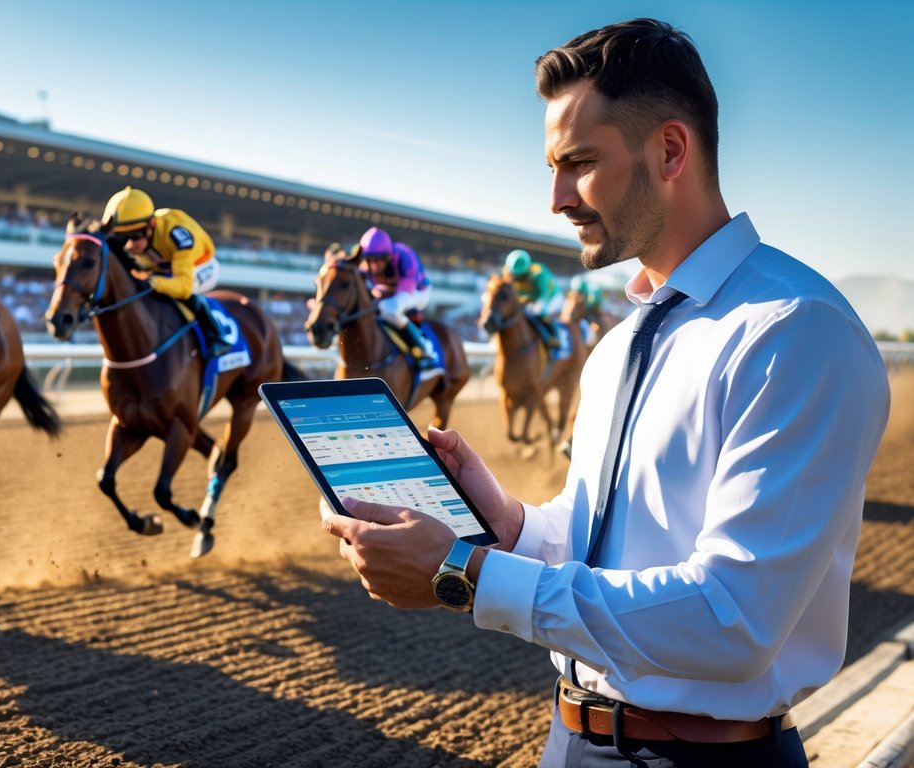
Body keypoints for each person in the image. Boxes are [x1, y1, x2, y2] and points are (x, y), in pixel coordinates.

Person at [322, 18, 889, 767]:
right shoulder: (619, 341)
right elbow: (615, 541)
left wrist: (465, 573)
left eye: (578, 164)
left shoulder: (795, 330)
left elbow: (731, 619)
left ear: (669, 151)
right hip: (568, 739)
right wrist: (510, 523)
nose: (555, 198)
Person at [101, 186, 231, 358]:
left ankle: (217, 336)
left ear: (151, 224)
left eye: (134, 236)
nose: (129, 245)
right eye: (122, 238)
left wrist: (154, 282)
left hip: (200, 265)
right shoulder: (140, 236)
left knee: (185, 293)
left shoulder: (177, 233)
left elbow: (183, 286)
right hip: (164, 267)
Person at [354, 226, 437, 370]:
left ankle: (424, 347)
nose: (374, 265)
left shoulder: (403, 254)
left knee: (390, 309)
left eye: (378, 260)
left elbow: (405, 289)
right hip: (392, 293)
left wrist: (380, 292)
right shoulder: (364, 267)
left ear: (388, 257)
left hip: (418, 291)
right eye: (370, 260)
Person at [503, 248, 563, 350]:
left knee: (539, 311)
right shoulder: (507, 272)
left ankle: (554, 338)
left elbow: (543, 296)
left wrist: (526, 299)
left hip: (552, 297)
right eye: (516, 276)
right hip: (530, 299)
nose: (518, 278)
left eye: (522, 276)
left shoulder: (538, 272)